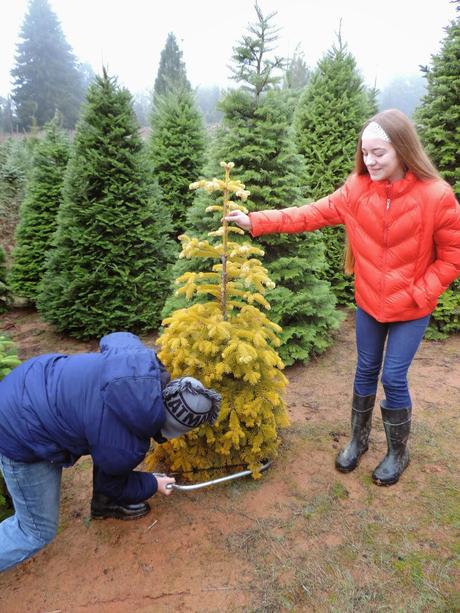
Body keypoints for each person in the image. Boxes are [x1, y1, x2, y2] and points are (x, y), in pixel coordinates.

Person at [225, 108, 460, 487]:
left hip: (412, 308)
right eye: (365, 152)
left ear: (402, 149)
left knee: (394, 377)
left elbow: (452, 256)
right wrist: (256, 221)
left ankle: (398, 452)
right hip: (370, 303)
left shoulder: (437, 196)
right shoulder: (356, 190)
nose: (370, 160)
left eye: (378, 153)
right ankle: (358, 440)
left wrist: (422, 292)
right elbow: (308, 214)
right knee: (365, 370)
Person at [0, 331, 221, 572]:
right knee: (35, 531)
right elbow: (113, 484)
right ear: (171, 430)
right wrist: (153, 483)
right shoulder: (126, 446)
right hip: (18, 428)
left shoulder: (137, 360)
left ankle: (103, 507)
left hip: (29, 380)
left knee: (104, 436)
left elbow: (116, 337)